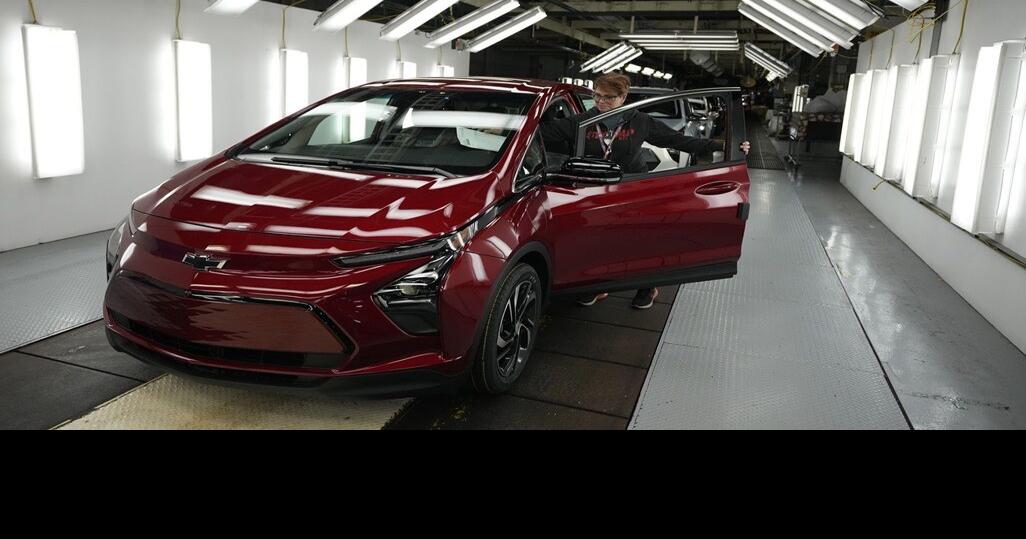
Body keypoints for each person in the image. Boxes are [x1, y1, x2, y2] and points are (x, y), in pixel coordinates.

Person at [540, 73, 751, 310]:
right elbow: (543, 133)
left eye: (608, 98)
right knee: (598, 238)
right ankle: (596, 285)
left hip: (632, 185)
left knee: (638, 238)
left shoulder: (639, 121)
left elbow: (677, 140)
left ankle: (647, 287)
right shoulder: (582, 121)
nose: (601, 102)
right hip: (595, 189)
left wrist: (725, 145)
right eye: (597, 96)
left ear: (623, 97)